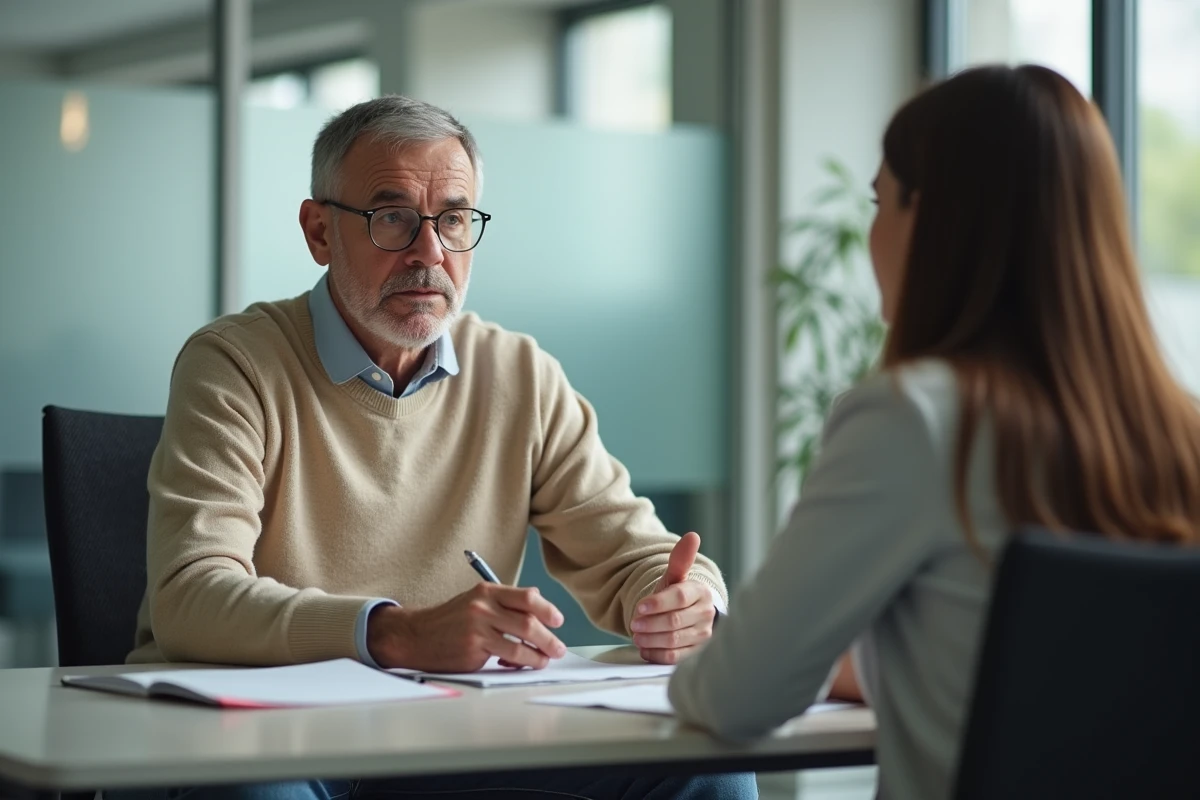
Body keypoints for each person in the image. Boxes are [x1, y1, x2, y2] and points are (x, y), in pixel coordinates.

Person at [118, 95, 756, 800]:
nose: (430, 254)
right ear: (319, 232)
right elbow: (191, 596)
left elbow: (637, 556)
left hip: (448, 740)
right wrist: (393, 634)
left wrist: (685, 603)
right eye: (392, 218)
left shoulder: (519, 374)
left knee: (713, 764)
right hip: (262, 736)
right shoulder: (235, 363)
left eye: (453, 220)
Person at [668, 63, 1200, 800]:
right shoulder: (1181, 433)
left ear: (935, 219)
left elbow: (734, 699)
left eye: (881, 200)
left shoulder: (911, 418)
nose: (871, 234)